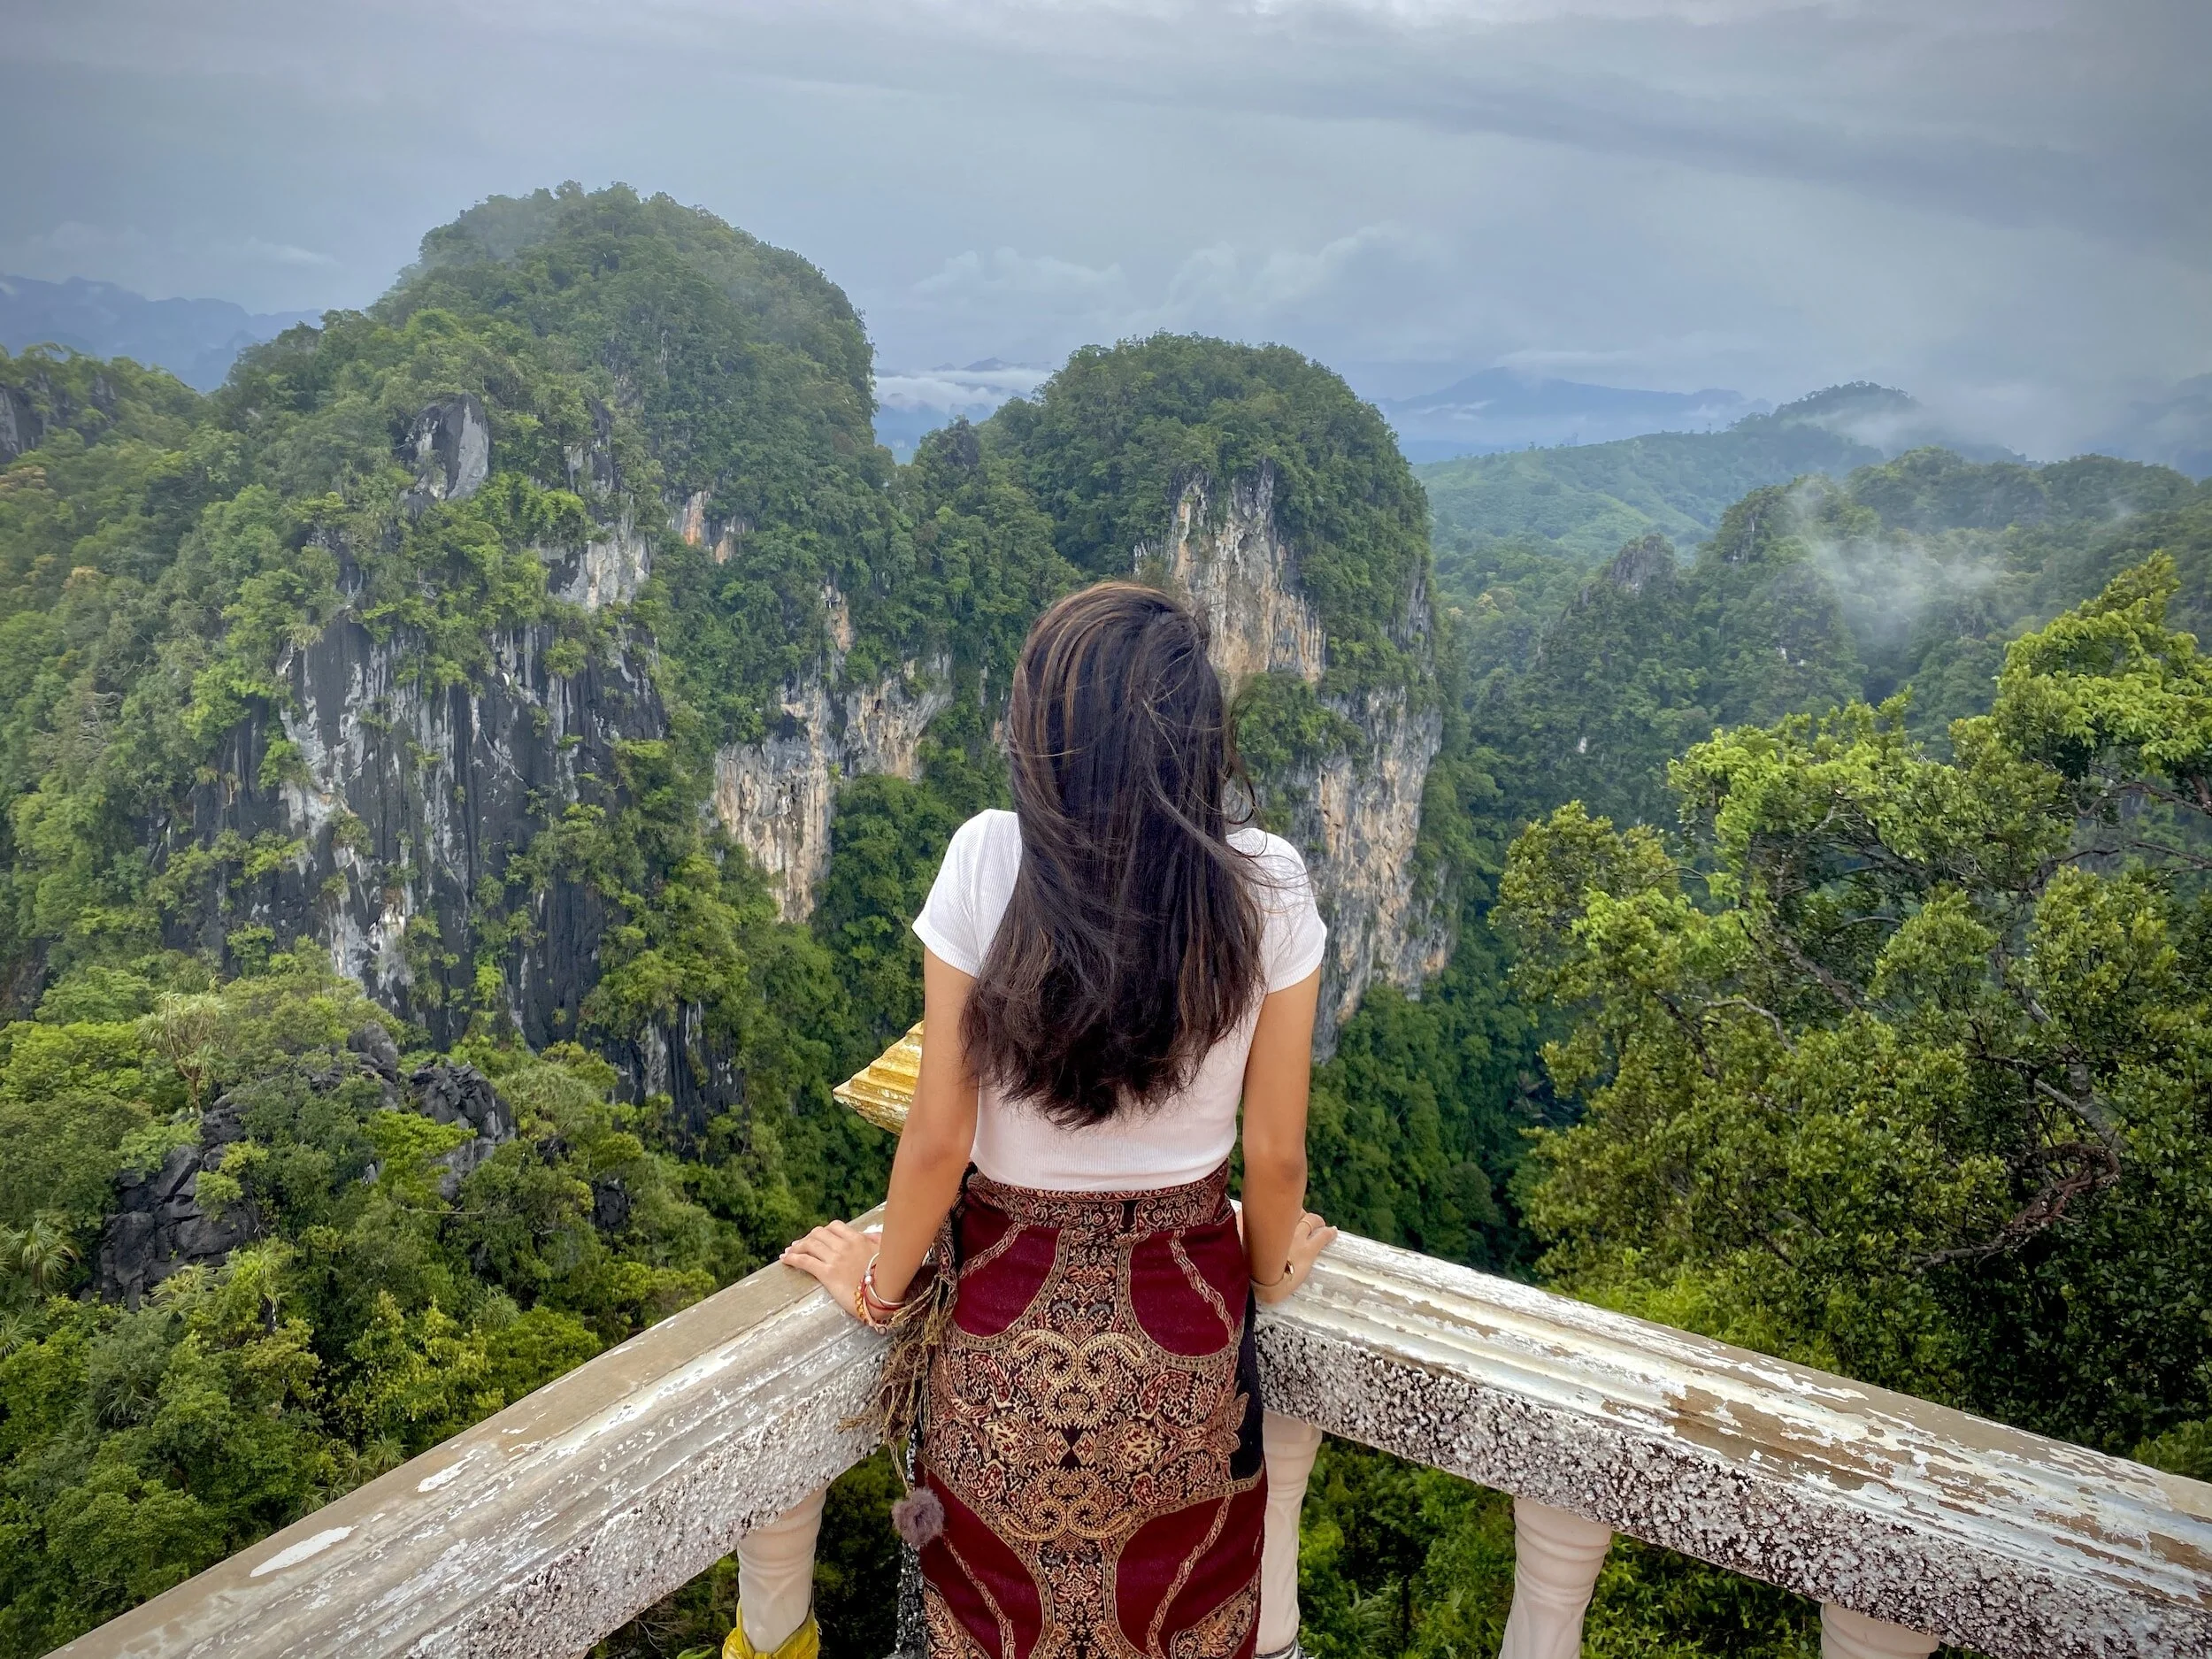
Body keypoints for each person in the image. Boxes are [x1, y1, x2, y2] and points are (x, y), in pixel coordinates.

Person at [763, 581, 1338, 1659]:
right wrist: (1269, 1265)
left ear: (1047, 732)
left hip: (1002, 1342)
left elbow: (938, 1136)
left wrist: (877, 1283)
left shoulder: (987, 855)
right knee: (1175, 1616)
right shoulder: (1269, 883)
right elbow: (1275, 1153)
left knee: (988, 1619)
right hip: (1187, 1331)